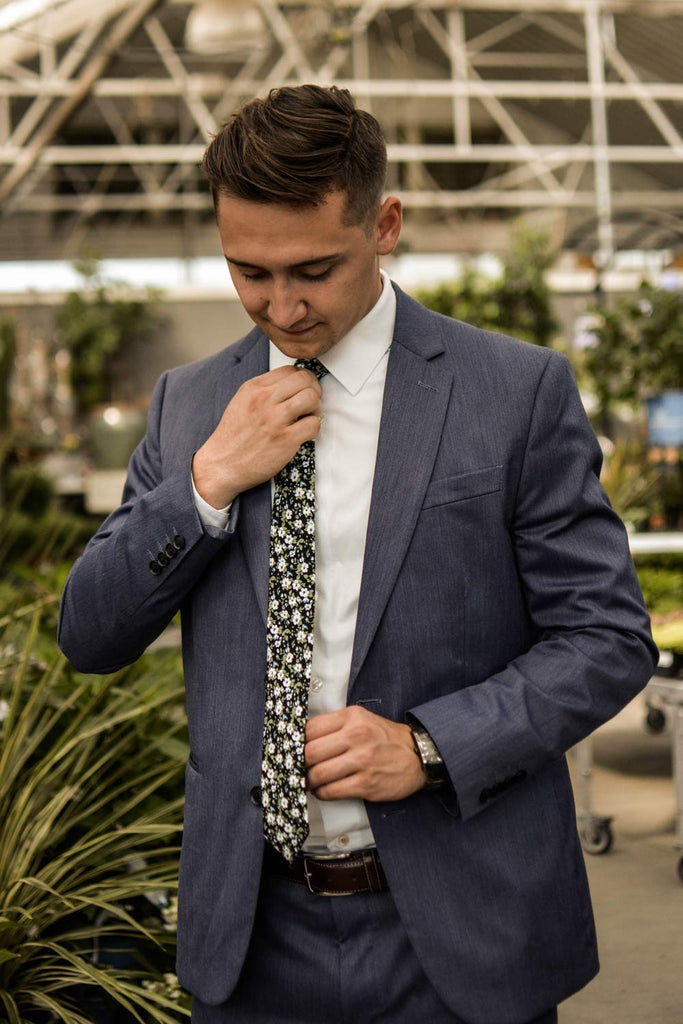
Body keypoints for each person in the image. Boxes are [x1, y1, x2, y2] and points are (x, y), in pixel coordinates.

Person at [58, 84, 657, 1024]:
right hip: (250, 937)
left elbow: (608, 638)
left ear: (384, 225)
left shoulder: (514, 391)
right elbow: (89, 634)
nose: (281, 307)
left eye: (313, 269)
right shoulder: (186, 407)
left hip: (460, 928)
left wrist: (428, 744)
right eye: (248, 272)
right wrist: (208, 482)